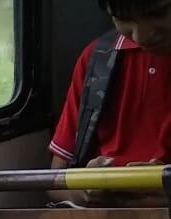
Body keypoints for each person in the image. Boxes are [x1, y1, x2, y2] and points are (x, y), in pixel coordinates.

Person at [50, 0, 171, 205]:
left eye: (157, 14)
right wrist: (84, 190)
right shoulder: (97, 60)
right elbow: (53, 181)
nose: (140, 36)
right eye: (123, 19)